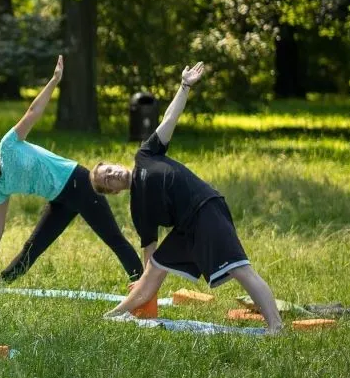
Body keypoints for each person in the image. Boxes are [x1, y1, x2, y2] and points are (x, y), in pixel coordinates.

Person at [93, 62, 283, 333]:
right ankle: (113, 315)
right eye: (106, 180)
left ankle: (276, 328)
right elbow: (150, 259)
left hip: (204, 208)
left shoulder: (144, 155)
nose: (111, 175)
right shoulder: (138, 210)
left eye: (108, 169)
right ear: (112, 192)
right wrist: (141, 299)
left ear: (115, 163)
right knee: (157, 267)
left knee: (240, 269)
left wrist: (185, 86)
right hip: (187, 226)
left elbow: (169, 119)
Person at [0, 56, 143, 284]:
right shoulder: (1, 187)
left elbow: (33, 112)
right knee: (33, 247)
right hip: (59, 200)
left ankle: (143, 286)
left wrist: (54, 81)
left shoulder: (9, 145)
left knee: (113, 239)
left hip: (79, 183)